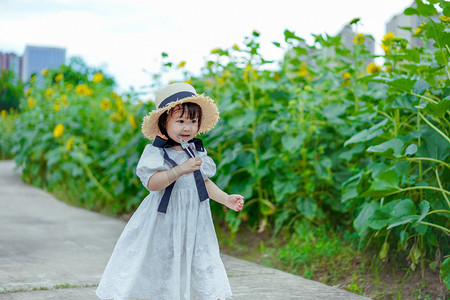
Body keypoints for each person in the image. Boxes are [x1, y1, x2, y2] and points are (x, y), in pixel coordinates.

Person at [96, 82, 244, 300]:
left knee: (196, 256)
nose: (187, 128)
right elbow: (153, 183)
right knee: (160, 256)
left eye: (193, 122)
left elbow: (202, 183)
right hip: (164, 218)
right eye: (180, 121)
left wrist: (225, 199)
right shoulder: (156, 153)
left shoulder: (196, 151)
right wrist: (179, 170)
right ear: (164, 123)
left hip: (193, 217)